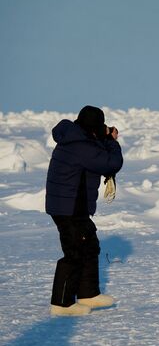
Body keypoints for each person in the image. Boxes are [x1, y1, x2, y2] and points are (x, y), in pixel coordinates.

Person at [45, 105, 123, 316]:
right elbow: (111, 163)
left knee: (89, 245)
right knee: (74, 252)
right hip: (69, 207)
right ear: (93, 128)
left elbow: (96, 150)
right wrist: (111, 140)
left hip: (69, 205)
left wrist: (104, 137)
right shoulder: (81, 146)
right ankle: (61, 304)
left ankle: (88, 294)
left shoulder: (76, 138)